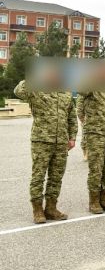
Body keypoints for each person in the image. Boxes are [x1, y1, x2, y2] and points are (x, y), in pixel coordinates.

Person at [14, 79, 77, 224]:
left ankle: (51, 208)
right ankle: (37, 210)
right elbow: (18, 91)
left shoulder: (66, 93)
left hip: (61, 142)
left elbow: (71, 117)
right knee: (38, 176)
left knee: (56, 177)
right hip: (41, 140)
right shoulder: (37, 89)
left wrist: (72, 137)